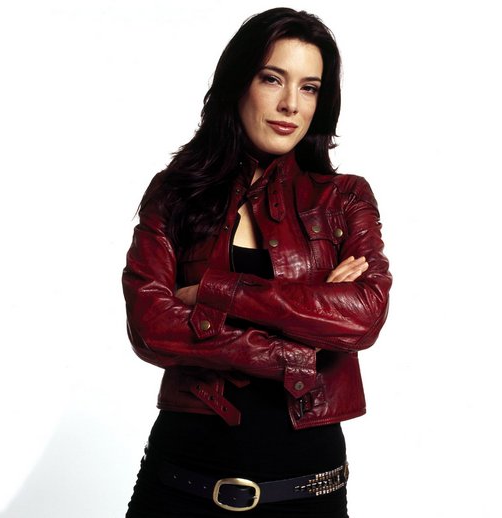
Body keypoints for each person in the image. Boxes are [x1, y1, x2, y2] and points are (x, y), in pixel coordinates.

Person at [122, 7, 392, 517]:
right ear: (238, 82)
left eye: (309, 88)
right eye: (272, 78)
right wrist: (299, 346)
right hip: (178, 487)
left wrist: (216, 293)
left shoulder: (343, 199)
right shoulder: (176, 194)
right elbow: (151, 326)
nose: (290, 103)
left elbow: (363, 317)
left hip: (307, 492)